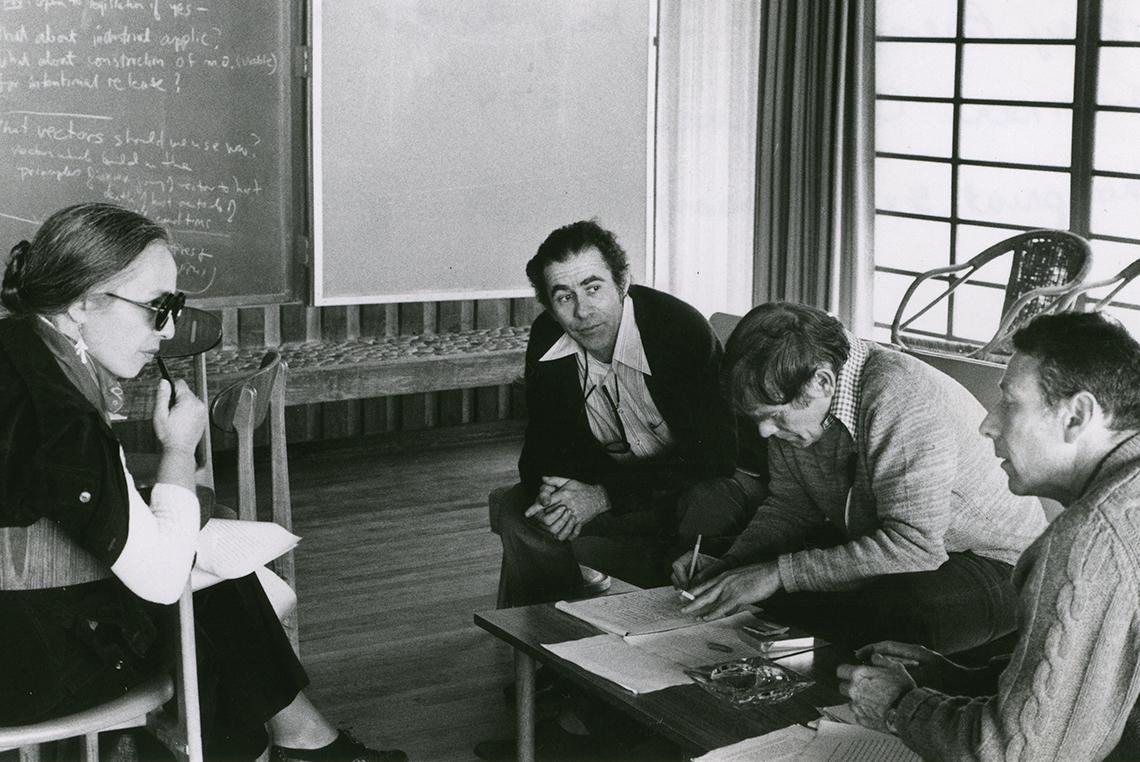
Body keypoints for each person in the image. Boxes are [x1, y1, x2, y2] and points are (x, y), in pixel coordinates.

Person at [0, 204, 405, 762]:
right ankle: (297, 742)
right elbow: (162, 579)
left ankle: (307, 739)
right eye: (155, 309)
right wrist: (177, 451)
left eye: (174, 308)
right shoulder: (64, 415)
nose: (166, 330)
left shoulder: (18, 349)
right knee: (204, 602)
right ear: (79, 304)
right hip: (23, 674)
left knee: (208, 574)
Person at [838, 312, 1140, 761]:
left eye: (1009, 402)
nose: (988, 424)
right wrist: (951, 676)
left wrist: (898, 705)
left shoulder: (1090, 539)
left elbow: (1017, 754)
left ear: (1076, 416)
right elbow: (1098, 678)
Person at [674, 302, 1047, 653]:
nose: (765, 433)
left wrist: (774, 573)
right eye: (757, 418)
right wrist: (732, 564)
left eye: (774, 416)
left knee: (890, 612)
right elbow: (790, 506)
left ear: (822, 382)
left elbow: (913, 547)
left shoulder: (898, 397)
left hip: (999, 562)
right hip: (899, 543)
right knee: (765, 583)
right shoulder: (794, 393)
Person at [495, 219, 746, 607]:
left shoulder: (679, 331)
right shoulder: (548, 336)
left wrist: (603, 495)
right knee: (519, 511)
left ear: (623, 282)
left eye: (593, 288)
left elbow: (716, 458)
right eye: (564, 297)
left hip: (697, 485)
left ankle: (671, 638)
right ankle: (556, 643)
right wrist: (555, 491)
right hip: (624, 488)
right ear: (549, 304)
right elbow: (541, 445)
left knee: (707, 500)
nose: (582, 311)